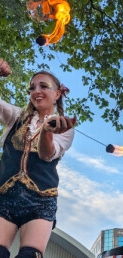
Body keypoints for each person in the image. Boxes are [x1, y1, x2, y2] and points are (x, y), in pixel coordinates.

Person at [0, 58, 76, 258]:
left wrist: (47, 132)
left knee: (29, 256)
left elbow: (46, 154)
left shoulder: (64, 128)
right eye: (32, 88)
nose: (36, 91)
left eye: (43, 86)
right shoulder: (16, 117)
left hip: (40, 201)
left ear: (57, 94)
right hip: (5, 197)